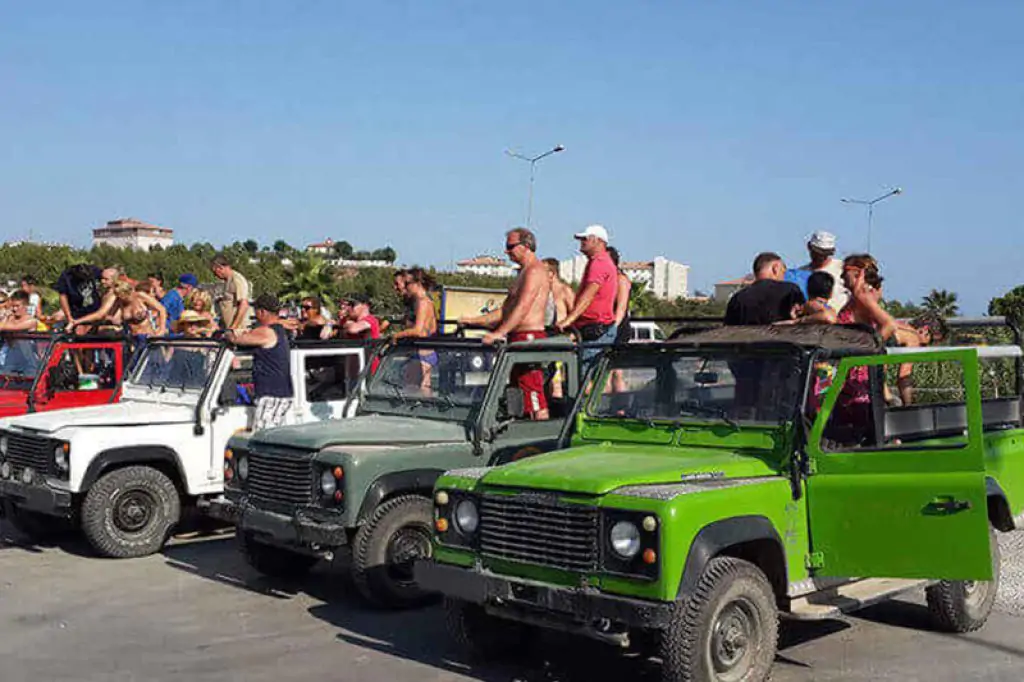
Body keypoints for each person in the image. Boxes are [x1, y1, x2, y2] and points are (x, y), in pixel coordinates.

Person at [461, 228, 553, 420]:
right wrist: (472, 321)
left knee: (533, 393)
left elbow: (522, 308)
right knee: (518, 391)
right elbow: (505, 311)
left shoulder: (535, 271)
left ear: (526, 246)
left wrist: (498, 333)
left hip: (529, 337)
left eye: (510, 247)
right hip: (517, 337)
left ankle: (541, 438)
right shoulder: (523, 273)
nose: (506, 251)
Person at [225, 293, 295, 431]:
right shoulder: (279, 330)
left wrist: (228, 332)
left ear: (262, 311)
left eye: (255, 311)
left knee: (264, 436)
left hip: (271, 396)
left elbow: (234, 339)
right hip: (278, 394)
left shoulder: (266, 332)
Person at [556, 225, 619, 367]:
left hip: (596, 330)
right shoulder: (597, 262)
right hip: (594, 329)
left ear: (598, 241)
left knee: (580, 374)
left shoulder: (599, 263)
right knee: (580, 373)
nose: (582, 242)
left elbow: (588, 296)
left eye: (585, 239)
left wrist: (568, 321)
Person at [390, 268, 439, 394]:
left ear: (417, 283)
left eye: (407, 284)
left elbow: (417, 330)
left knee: (418, 393)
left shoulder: (423, 302)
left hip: (422, 355)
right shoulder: (425, 301)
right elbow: (431, 328)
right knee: (419, 391)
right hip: (423, 353)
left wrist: (396, 335)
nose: (406, 287)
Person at [724, 252, 806, 326]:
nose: (783, 277)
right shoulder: (790, 290)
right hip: (781, 341)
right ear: (775, 268)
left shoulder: (737, 298)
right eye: (783, 272)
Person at [792, 231, 849, 313]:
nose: (820, 257)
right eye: (817, 253)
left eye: (825, 254)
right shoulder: (800, 273)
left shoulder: (842, 268)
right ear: (809, 247)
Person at [55, 263, 104, 333]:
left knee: (92, 330)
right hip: (76, 310)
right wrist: (69, 317)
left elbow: (109, 275)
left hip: (94, 309)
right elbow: (63, 297)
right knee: (79, 332)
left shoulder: (95, 270)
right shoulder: (66, 276)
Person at [210, 255, 251, 331]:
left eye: (215, 273)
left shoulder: (237, 279)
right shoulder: (228, 280)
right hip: (229, 327)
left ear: (220, 268)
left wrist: (234, 326)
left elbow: (244, 304)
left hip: (238, 329)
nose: (215, 276)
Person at [542, 258, 575, 326]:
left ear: (551, 273)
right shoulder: (541, 291)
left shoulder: (565, 290)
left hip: (560, 332)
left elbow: (575, 313)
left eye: (542, 271)